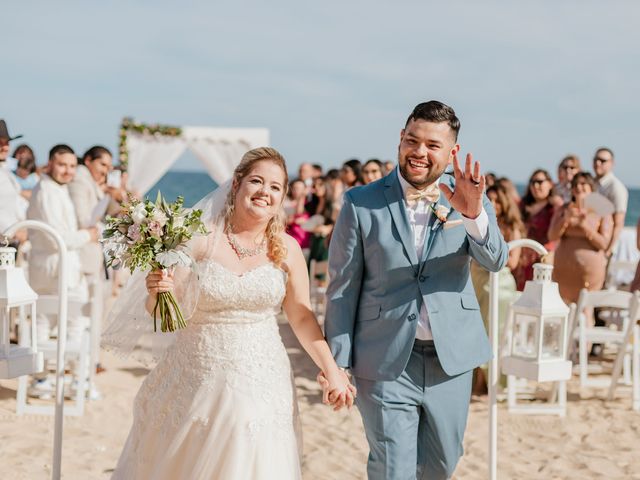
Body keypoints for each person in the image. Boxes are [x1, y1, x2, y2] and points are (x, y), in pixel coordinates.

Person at [104, 147, 355, 479]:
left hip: (263, 376)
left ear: (283, 198)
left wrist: (332, 370)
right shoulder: (197, 239)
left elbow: (302, 316)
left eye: (275, 187)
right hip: (198, 374)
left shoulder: (287, 248)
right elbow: (164, 311)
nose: (265, 191)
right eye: (256, 181)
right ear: (236, 185)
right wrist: (156, 293)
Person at [323, 101, 508, 479]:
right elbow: (342, 289)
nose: (419, 152)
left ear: (452, 152)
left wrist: (473, 215)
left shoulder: (470, 197)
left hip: (451, 359)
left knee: (442, 463)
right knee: (393, 467)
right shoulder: (360, 203)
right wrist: (337, 363)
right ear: (400, 141)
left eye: (432, 145)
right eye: (412, 140)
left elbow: (496, 261)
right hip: (385, 358)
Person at [27, 144, 99, 396]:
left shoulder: (58, 189)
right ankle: (43, 379)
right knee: (49, 322)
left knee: (72, 321)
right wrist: (88, 235)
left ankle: (65, 376)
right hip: (51, 269)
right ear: (49, 164)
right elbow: (57, 238)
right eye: (62, 165)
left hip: (64, 268)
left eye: (71, 166)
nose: (67, 171)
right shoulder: (45, 191)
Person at [548, 172, 613, 303]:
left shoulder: (602, 209)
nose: (578, 187)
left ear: (591, 188)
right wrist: (565, 220)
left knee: (585, 311)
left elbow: (604, 244)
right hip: (563, 273)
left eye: (583, 183)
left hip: (589, 276)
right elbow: (551, 236)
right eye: (575, 184)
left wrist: (584, 226)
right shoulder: (563, 209)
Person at [513, 169, 562, 290]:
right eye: (532, 182)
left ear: (550, 184)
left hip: (543, 258)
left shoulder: (554, 207)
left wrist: (548, 254)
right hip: (521, 258)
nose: (535, 186)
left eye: (540, 182)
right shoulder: (522, 205)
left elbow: (557, 236)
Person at [593, 147, 628, 258]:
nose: (598, 163)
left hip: (604, 247)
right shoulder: (591, 184)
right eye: (596, 159)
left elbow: (619, 223)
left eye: (603, 160)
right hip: (591, 243)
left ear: (612, 163)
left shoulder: (616, 188)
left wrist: (608, 250)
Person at [0, 120, 28, 245]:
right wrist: (12, 232)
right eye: (0, 143)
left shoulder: (6, 171)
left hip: (10, 240)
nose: (5, 147)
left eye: (6, 143)